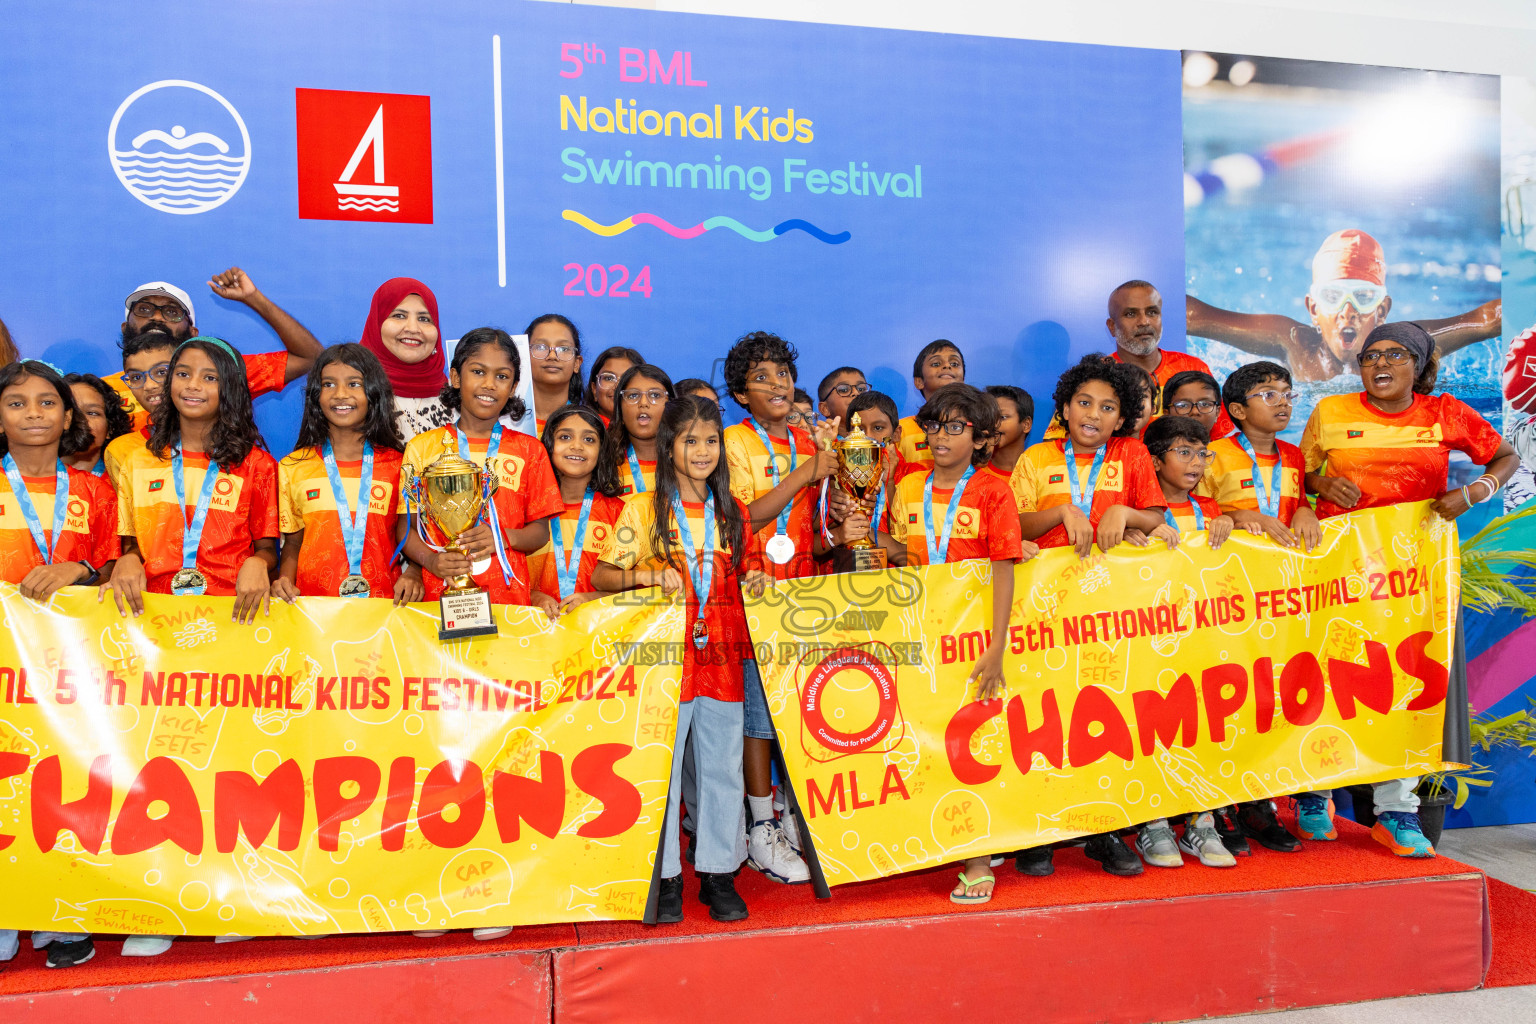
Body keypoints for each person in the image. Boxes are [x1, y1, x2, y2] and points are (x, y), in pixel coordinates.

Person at [1301, 322, 1518, 857]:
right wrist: (1323, 483)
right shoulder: (1331, 413)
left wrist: (1473, 492)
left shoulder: (1444, 412)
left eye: (1395, 355)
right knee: (1330, 676)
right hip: (1337, 575)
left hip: (1412, 578)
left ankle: (1395, 813)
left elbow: (1505, 457)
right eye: (1370, 356)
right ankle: (1312, 795)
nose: (1380, 364)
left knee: (1403, 684)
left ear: (1419, 365)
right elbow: (1299, 475)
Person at [104, 338, 279, 957]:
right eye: (183, 373)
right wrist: (124, 555)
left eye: (209, 376)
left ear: (230, 388)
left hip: (230, 631)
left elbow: (269, 545)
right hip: (154, 634)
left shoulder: (256, 463)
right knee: (156, 767)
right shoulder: (135, 458)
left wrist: (261, 559)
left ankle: (233, 892)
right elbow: (123, 537)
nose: (193, 384)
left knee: (227, 766)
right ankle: (160, 905)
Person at [593, 395, 771, 923]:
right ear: (668, 446)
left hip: (722, 658)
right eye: (689, 440)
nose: (701, 450)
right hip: (663, 665)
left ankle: (719, 872)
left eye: (711, 440)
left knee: (721, 768)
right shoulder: (643, 508)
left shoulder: (732, 512)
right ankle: (665, 874)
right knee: (663, 770)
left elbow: (753, 569)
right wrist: (644, 574)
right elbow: (602, 577)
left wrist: (758, 577)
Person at [1010, 354, 1167, 876]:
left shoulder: (1134, 453)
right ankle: (1039, 832)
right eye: (1084, 403)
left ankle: (1105, 830)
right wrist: (1059, 512)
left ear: (1122, 418)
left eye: (1108, 407)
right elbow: (1014, 529)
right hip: (1047, 612)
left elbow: (1156, 517)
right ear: (1064, 408)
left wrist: (1123, 513)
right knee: (1044, 715)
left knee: (1107, 714)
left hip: (1112, 611)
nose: (1094, 415)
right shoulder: (1036, 459)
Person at [885, 384, 1030, 902]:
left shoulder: (994, 490)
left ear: (983, 438)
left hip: (972, 643)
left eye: (955, 427)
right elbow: (907, 552)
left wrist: (996, 646)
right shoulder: (909, 488)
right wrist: (861, 533)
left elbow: (1003, 571)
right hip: (919, 635)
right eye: (933, 426)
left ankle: (979, 859)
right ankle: (937, 839)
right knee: (921, 743)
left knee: (973, 746)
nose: (940, 436)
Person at [723, 331, 838, 884]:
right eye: (761, 378)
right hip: (755, 591)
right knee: (758, 719)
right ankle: (760, 826)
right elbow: (745, 517)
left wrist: (841, 505)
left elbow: (815, 526)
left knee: (801, 708)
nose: (777, 384)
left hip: (807, 590)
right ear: (741, 395)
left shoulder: (807, 436)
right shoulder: (731, 442)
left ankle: (797, 813)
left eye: (783, 375)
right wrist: (806, 472)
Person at [1133, 415, 1241, 871]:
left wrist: (1233, 525)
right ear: (1155, 461)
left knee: (1204, 732)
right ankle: (1153, 824)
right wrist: (1130, 537)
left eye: (1203, 454)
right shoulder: (1136, 512)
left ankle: (1203, 822)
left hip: (1205, 642)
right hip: (1149, 647)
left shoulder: (1213, 511)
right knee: (1151, 731)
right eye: (1184, 453)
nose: (1196, 462)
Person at [1188, 229, 1501, 383]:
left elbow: (1488, 320)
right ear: (1313, 309)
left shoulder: (1409, 343)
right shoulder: (1293, 342)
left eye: (1363, 298)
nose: (1347, 311)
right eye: (1333, 296)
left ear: (1382, 310)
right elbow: (1196, 316)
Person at [399, 328, 562, 623]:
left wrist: (501, 537)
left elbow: (539, 533)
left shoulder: (530, 450)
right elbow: (406, 528)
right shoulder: (422, 448)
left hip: (509, 601)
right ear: (456, 377)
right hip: (439, 596)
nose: (489, 384)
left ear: (513, 386)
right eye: (478, 371)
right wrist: (432, 561)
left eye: (502, 376)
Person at [272, 344, 421, 604]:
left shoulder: (400, 466)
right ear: (316, 396)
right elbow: (293, 545)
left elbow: (412, 536)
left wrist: (416, 573)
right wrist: (285, 580)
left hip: (384, 607)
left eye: (354, 384)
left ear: (374, 393)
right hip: (313, 609)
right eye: (328, 384)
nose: (340, 394)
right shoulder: (292, 467)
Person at [111, 272, 322, 429]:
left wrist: (253, 298)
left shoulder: (224, 374)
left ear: (193, 333)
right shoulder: (106, 392)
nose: (156, 318)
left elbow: (311, 357)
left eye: (171, 312)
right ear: (124, 327)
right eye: (144, 310)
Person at [1047, 282, 1234, 439]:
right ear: (1112, 327)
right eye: (1130, 314)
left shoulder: (1194, 367)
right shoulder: (1093, 374)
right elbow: (1058, 445)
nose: (1144, 321)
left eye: (1152, 312)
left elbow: (1219, 439)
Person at [529, 405, 627, 619]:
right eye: (565, 437)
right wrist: (534, 597)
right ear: (547, 445)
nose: (577, 446)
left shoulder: (620, 513)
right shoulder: (527, 510)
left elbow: (634, 588)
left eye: (589, 439)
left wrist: (593, 598)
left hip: (600, 638)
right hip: (534, 636)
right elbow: (507, 578)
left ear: (602, 451)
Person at [813, 390, 908, 571]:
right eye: (860, 429)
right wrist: (838, 516)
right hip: (840, 580)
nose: (868, 436)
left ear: (896, 434)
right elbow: (812, 545)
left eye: (878, 428)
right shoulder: (835, 479)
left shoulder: (913, 478)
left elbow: (916, 546)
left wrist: (888, 482)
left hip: (899, 585)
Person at [360, 278, 450, 441]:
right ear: (377, 323)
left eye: (424, 319)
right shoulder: (354, 392)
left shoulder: (457, 398)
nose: (413, 329)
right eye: (399, 315)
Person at [600, 364, 675, 497]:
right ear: (619, 411)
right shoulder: (604, 465)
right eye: (633, 395)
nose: (644, 403)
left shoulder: (685, 464)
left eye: (655, 395)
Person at [897, 340, 965, 467]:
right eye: (936, 363)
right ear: (919, 382)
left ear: (963, 380)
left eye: (954, 363)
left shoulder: (973, 427)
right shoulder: (901, 430)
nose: (947, 366)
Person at [63, 372, 132, 477]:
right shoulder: (30, 478)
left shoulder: (125, 481)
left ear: (110, 428)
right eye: (70, 410)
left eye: (92, 413)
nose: (80, 419)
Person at [526, 314, 583, 435]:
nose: (552, 356)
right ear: (524, 355)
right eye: (540, 347)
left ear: (576, 363)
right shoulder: (501, 419)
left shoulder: (589, 424)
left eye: (563, 349)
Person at [583, 346, 644, 426]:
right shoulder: (580, 428)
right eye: (609, 378)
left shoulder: (653, 433)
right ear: (594, 389)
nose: (617, 386)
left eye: (626, 378)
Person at [983, 385, 1033, 478]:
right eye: (989, 416)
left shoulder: (1040, 473)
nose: (993, 424)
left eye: (1002, 417)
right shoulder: (970, 474)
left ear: (1026, 424)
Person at [1162, 370, 1223, 438]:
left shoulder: (1226, 448)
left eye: (1205, 404)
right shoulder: (1152, 448)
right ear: (1166, 414)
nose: (1195, 412)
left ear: (1217, 412)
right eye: (1183, 405)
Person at [817, 366, 870, 431]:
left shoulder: (880, 438)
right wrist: (827, 441)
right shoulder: (823, 441)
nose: (856, 393)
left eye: (861, 389)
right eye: (844, 390)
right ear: (825, 408)